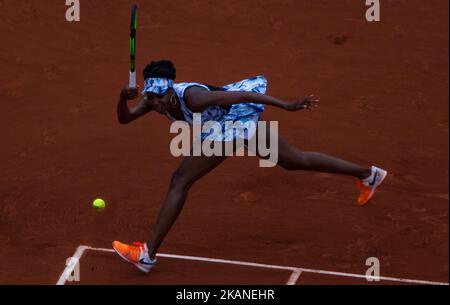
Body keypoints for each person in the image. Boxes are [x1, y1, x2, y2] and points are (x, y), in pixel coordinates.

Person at [112, 60, 388, 273]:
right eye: (151, 97)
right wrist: (124, 98)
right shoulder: (152, 101)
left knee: (180, 181)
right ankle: (368, 174)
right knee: (294, 160)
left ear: (171, 89)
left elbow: (243, 98)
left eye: (159, 97)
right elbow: (125, 119)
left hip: (233, 122)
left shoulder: (194, 98)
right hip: (225, 126)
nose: (156, 103)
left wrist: (287, 105)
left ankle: (147, 255)